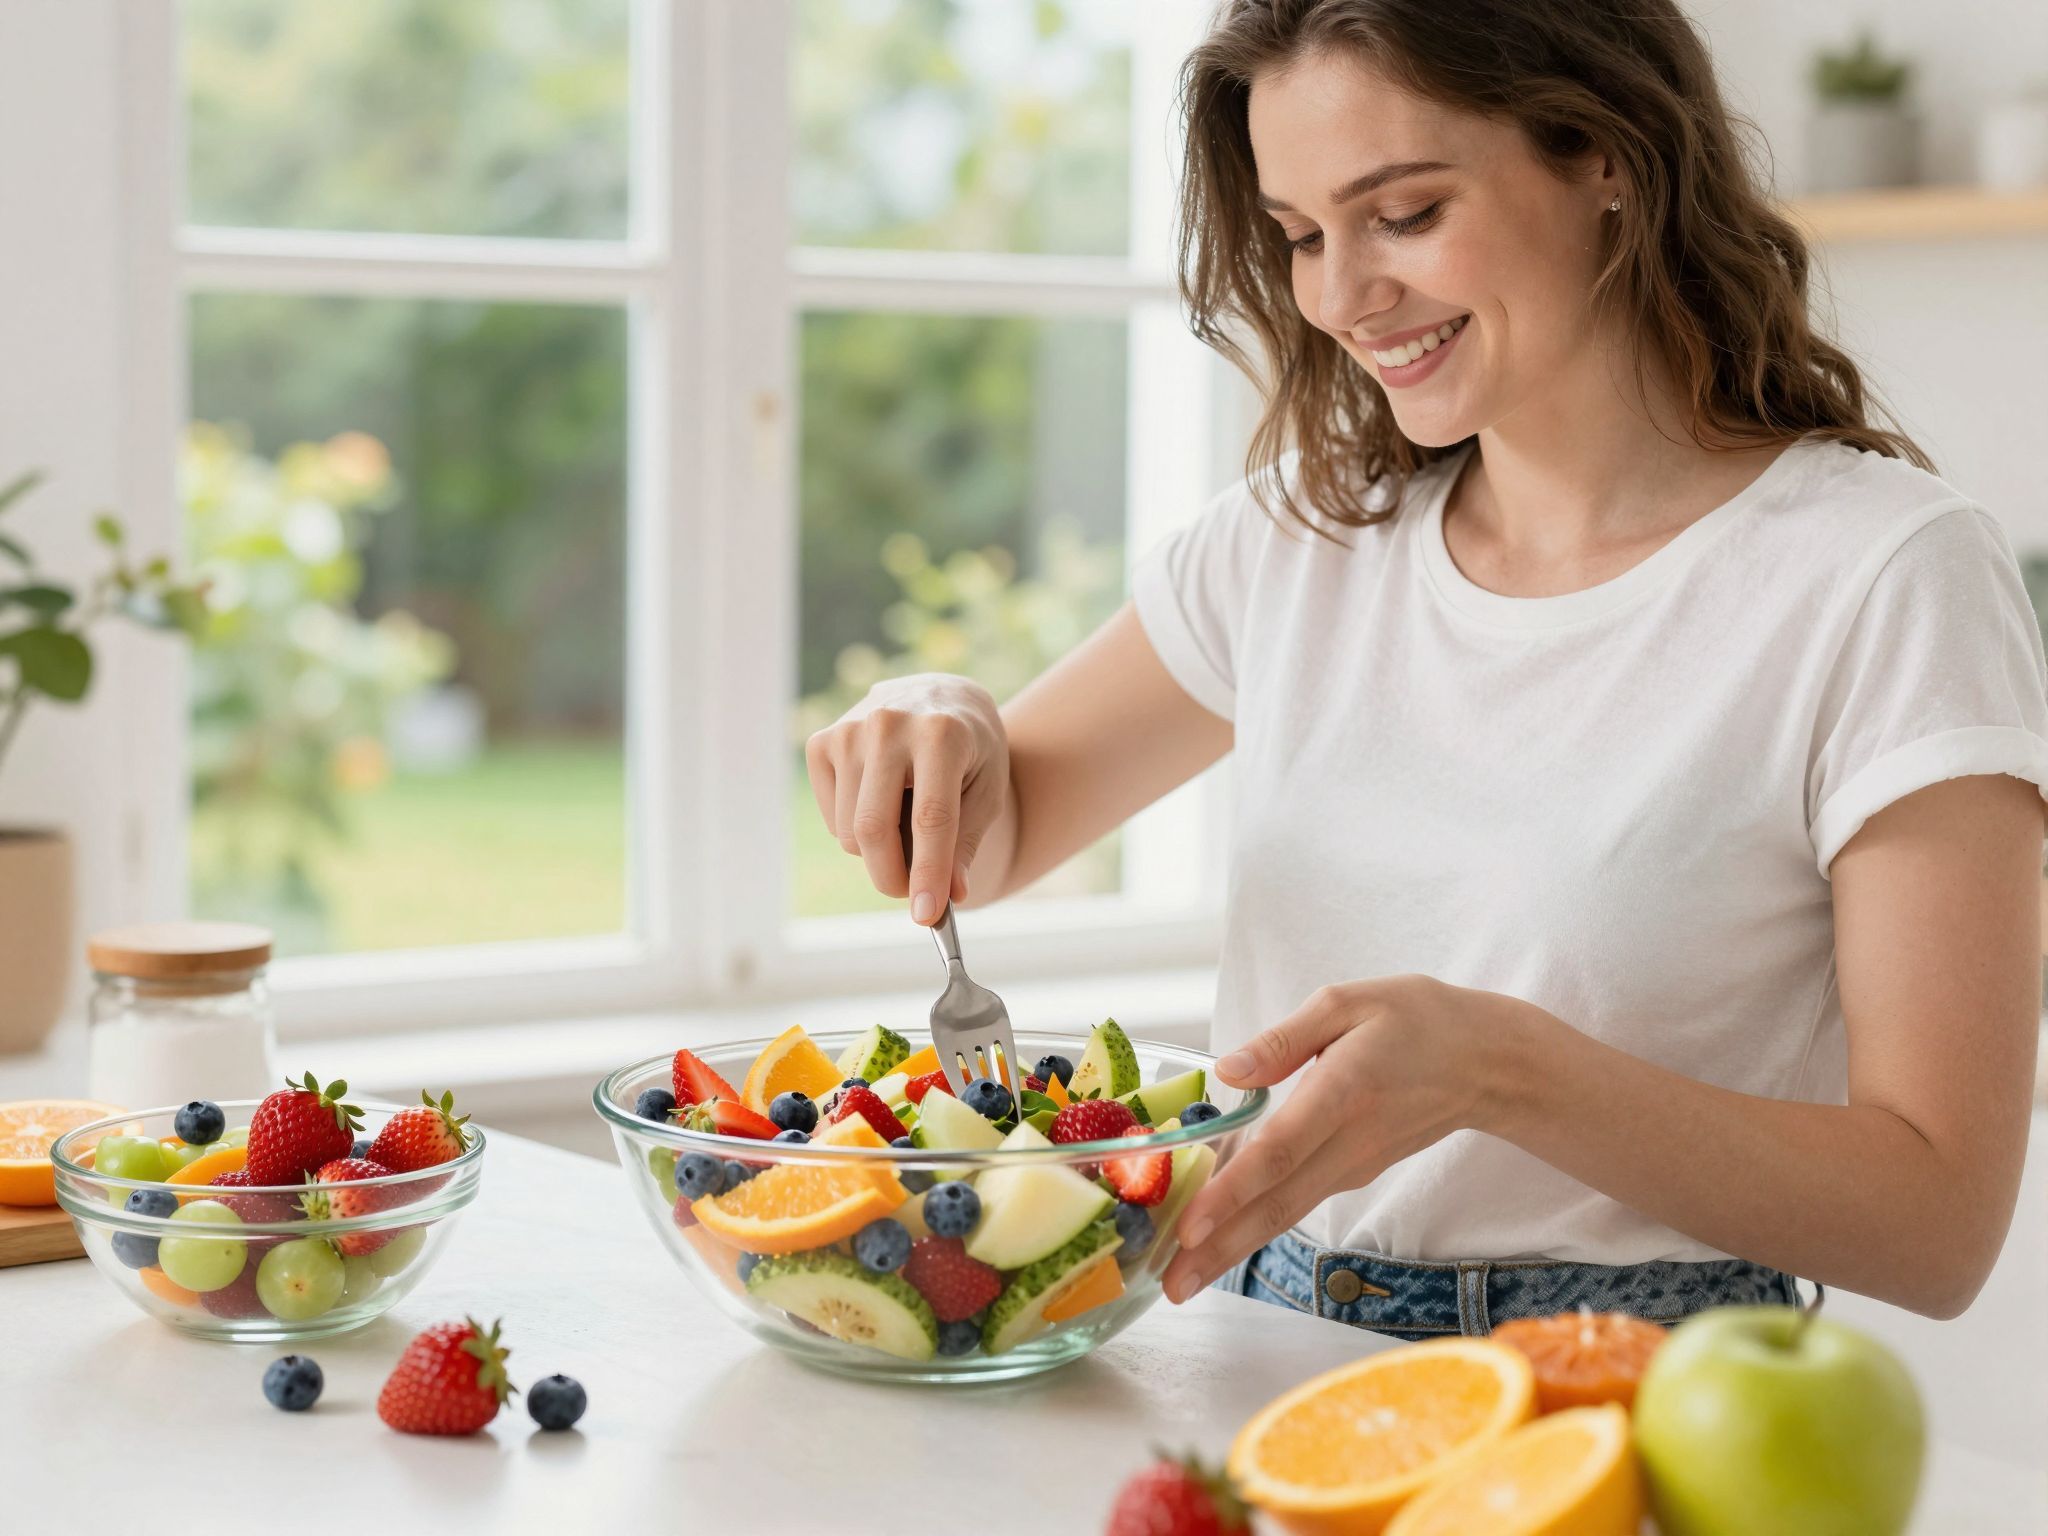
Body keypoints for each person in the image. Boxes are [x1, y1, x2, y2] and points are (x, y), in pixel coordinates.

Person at [804, 0, 2046, 1337]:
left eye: (1401, 214)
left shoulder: (1884, 574)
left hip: (1633, 1394)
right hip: (1257, 1347)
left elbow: (1938, 1222)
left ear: (1606, 155)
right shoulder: (1301, 539)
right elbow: (981, 837)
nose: (1340, 295)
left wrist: (1505, 1073)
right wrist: (934, 717)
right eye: (1298, 237)